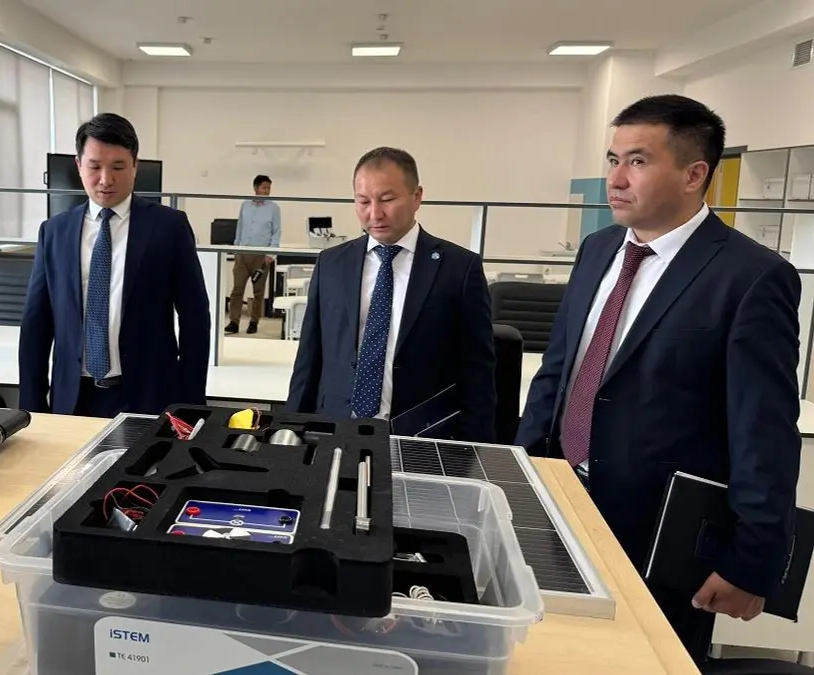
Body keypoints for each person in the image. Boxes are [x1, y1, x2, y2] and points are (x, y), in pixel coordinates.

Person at [516, 94, 800, 664]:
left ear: (695, 175)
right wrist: (520, 474)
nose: (616, 179)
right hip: (560, 503)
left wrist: (752, 562)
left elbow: (764, 433)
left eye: (638, 161)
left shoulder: (751, 277)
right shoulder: (598, 250)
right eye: (613, 159)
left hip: (660, 531)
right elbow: (558, 371)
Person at [287, 147, 496, 442]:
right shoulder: (332, 264)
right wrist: (291, 430)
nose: (375, 214)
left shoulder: (459, 268)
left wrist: (477, 447)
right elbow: (309, 358)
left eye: (387, 199)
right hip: (336, 428)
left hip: (421, 436)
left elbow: (478, 371)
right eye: (363, 201)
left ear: (417, 196)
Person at [19, 113, 211, 418]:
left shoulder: (168, 227)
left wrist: (190, 404)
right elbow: (36, 326)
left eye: (118, 167)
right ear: (78, 165)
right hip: (73, 399)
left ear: (135, 166)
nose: (106, 179)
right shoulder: (54, 232)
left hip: (148, 397)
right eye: (94, 166)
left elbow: (195, 318)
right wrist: (31, 410)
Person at [226, 174, 281, 334]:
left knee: (258, 291)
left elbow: (276, 232)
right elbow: (240, 227)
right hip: (243, 253)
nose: (267, 191)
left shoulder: (274, 208)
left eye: (269, 188)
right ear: (256, 188)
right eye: (264, 187)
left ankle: (254, 321)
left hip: (261, 255)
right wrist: (236, 248)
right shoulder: (245, 205)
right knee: (237, 289)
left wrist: (271, 253)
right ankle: (234, 321)